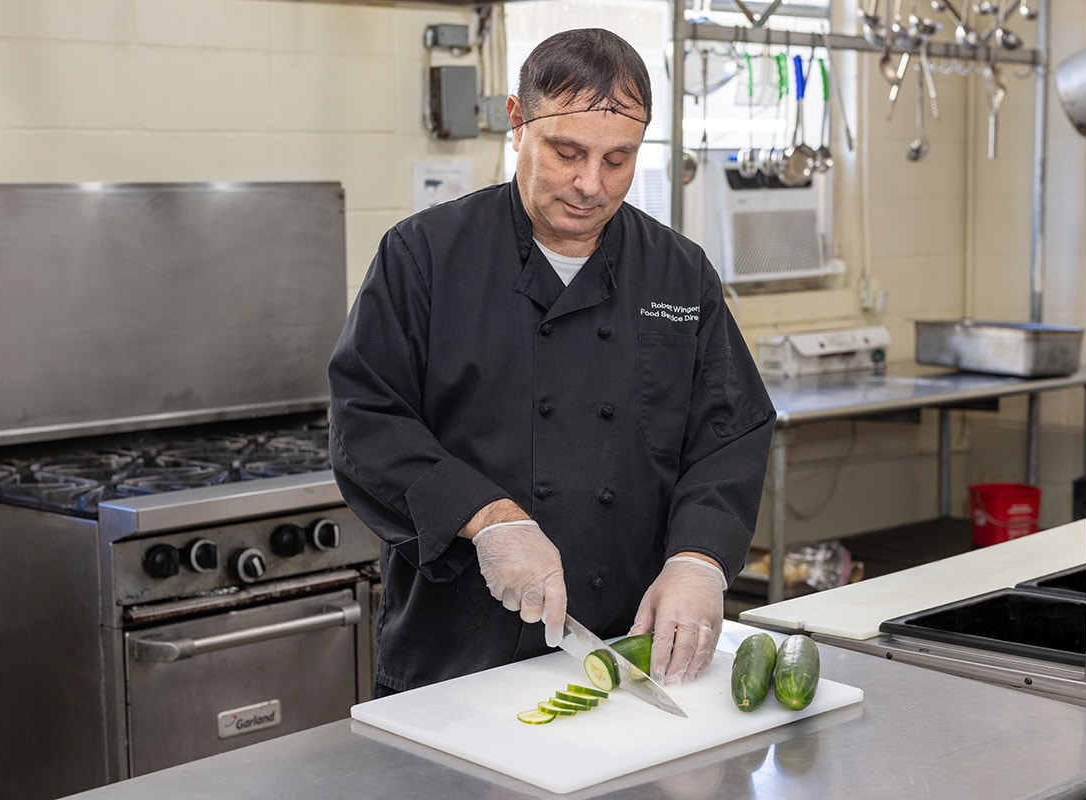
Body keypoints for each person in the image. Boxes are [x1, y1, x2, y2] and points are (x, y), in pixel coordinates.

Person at [328, 27, 776, 697]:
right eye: (567, 152)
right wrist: (488, 518)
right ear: (516, 122)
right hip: (456, 659)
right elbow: (366, 422)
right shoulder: (424, 257)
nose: (590, 184)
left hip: (629, 652)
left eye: (618, 159)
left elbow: (729, 433)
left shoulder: (679, 273)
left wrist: (698, 560)